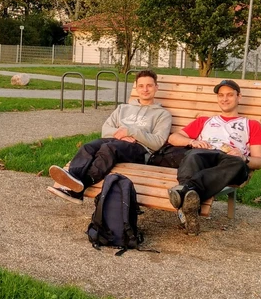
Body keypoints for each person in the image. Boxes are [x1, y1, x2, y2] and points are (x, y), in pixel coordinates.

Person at [47, 69, 173, 203]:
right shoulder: (123, 109)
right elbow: (105, 129)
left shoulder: (163, 114)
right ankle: (73, 179)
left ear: (156, 87)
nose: (145, 89)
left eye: (149, 85)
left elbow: (157, 142)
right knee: (89, 147)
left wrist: (130, 132)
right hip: (117, 141)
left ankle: (79, 186)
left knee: (109, 148)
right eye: (141, 86)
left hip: (140, 150)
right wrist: (121, 136)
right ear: (136, 88)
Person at [165, 79, 261, 234]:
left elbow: (259, 162)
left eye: (229, 95)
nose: (224, 99)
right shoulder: (205, 121)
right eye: (221, 95)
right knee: (193, 155)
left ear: (238, 97)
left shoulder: (251, 125)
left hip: (231, 163)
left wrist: (243, 157)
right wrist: (192, 142)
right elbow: (173, 138)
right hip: (206, 155)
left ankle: (184, 191)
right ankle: (189, 207)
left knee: (238, 163)